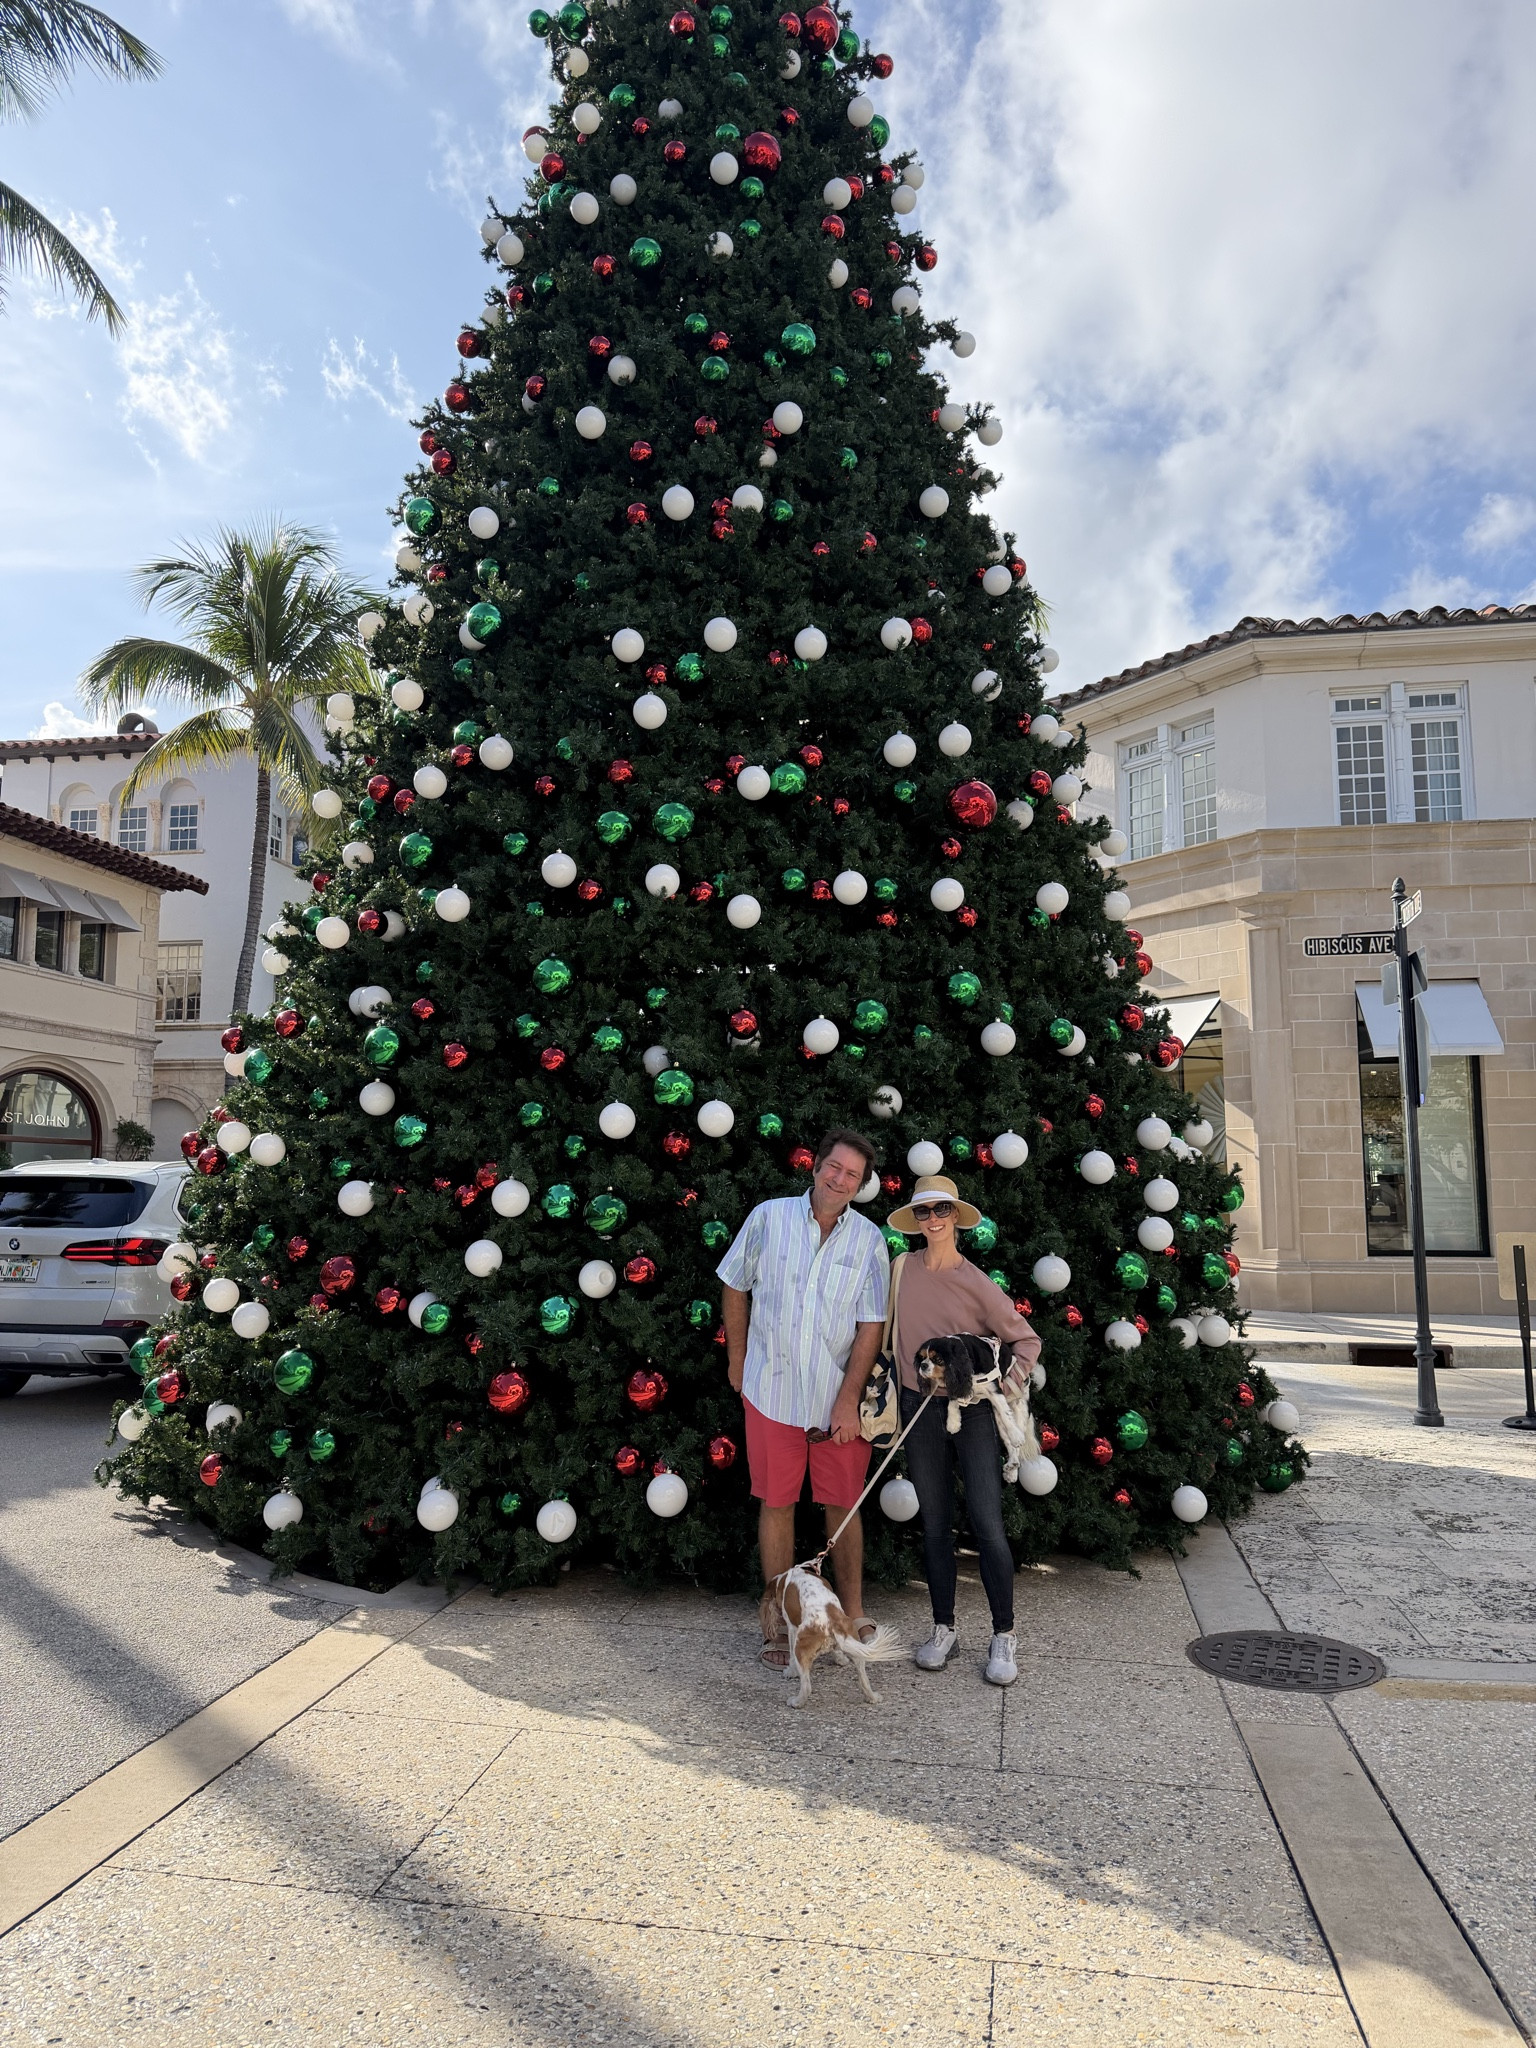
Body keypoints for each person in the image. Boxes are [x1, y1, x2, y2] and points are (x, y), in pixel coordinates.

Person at [718, 1129, 889, 1666]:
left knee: (843, 1506)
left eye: (853, 1176)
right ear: (815, 1167)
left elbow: (870, 1327)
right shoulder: (769, 1218)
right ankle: (778, 1626)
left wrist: (848, 1399)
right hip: (771, 1391)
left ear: (862, 1186)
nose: (840, 1179)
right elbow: (734, 1283)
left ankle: (854, 1611)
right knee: (777, 1504)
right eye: (834, 1168)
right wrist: (737, 1359)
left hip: (836, 1400)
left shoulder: (868, 1241)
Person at [885, 1175, 1041, 1687]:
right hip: (916, 1405)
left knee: (987, 1521)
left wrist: (1002, 1389)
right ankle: (943, 1628)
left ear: (956, 1217)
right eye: (924, 1212)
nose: (933, 1220)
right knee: (933, 1522)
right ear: (915, 1221)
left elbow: (1027, 1340)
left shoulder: (976, 1280)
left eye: (941, 1211)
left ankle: (1003, 1633)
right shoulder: (901, 1270)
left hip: (971, 1411)